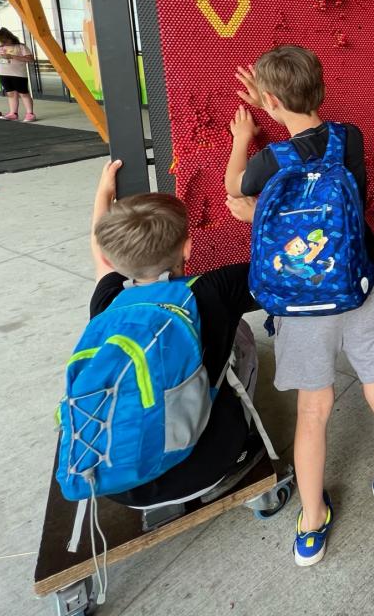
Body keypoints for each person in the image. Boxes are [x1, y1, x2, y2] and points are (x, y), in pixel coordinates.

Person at [225, 46, 374, 566]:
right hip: (356, 287)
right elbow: (327, 167)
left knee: (313, 412)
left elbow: (234, 191)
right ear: (322, 89)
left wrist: (244, 138)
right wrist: (275, 105)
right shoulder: (349, 137)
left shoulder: (267, 161)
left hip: (301, 304)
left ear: (269, 101)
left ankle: (311, 523)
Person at [88, 159, 270, 509]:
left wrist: (104, 192)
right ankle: (237, 451)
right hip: (200, 471)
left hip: (117, 484)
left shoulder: (108, 300)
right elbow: (291, 262)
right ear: (187, 247)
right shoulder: (214, 289)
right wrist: (258, 215)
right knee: (242, 335)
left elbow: (100, 254)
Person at [0, 27, 36, 121]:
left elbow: (30, 59)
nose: (3, 43)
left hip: (19, 74)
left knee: (23, 93)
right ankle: (13, 113)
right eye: (1, 41)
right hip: (3, 74)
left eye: (4, 41)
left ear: (10, 38)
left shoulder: (20, 47)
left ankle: (30, 114)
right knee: (10, 94)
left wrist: (12, 56)